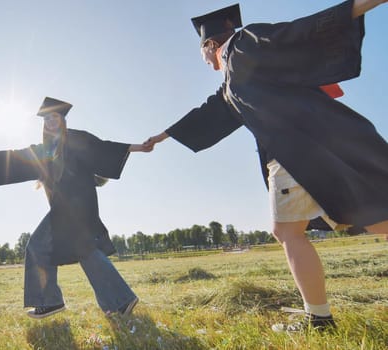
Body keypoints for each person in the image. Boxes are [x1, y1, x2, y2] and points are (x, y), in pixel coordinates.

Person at [144, 0, 388, 331]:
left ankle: (318, 319)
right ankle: (318, 316)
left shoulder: (245, 44)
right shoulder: (234, 70)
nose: (202, 60)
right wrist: (163, 135)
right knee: (371, 218)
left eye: (201, 52)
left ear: (210, 44)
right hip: (310, 148)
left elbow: (297, 32)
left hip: (296, 150)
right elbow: (213, 108)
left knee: (288, 230)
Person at [0, 97, 149, 319]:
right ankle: (120, 301)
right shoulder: (45, 149)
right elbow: (17, 156)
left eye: (54, 116)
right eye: (46, 118)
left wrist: (138, 148)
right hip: (65, 207)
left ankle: (49, 301)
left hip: (78, 203)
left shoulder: (76, 138)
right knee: (85, 250)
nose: (50, 121)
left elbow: (103, 148)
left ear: (62, 118)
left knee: (37, 245)